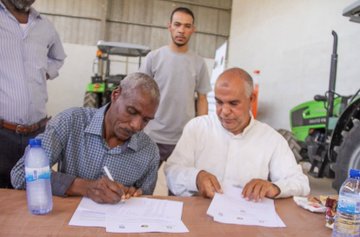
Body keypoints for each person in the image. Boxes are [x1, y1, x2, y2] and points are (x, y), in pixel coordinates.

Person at [11, 72, 161, 204]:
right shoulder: (71, 122)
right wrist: (84, 187)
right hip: (65, 222)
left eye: (146, 120)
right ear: (116, 95)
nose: (136, 125)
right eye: (131, 111)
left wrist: (134, 195)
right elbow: (21, 174)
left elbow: (145, 204)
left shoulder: (149, 152)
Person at [165, 67, 310, 201]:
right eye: (219, 102)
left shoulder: (271, 139)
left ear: (251, 99)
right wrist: (195, 178)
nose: (225, 111)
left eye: (233, 104)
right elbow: (172, 170)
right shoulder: (197, 128)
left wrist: (275, 187)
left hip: (248, 222)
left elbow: (300, 183)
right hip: (200, 215)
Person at [0, 0, 66, 188]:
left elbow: (58, 57)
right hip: (2, 133)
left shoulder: (44, 26)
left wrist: (43, 72)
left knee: (35, 192)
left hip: (37, 135)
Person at [140, 7, 211, 167]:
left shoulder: (198, 63)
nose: (181, 30)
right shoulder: (154, 58)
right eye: (177, 24)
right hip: (152, 136)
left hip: (184, 139)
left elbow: (202, 99)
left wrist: (201, 133)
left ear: (193, 29)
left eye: (187, 26)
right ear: (169, 26)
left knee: (180, 189)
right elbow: (140, 94)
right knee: (141, 188)